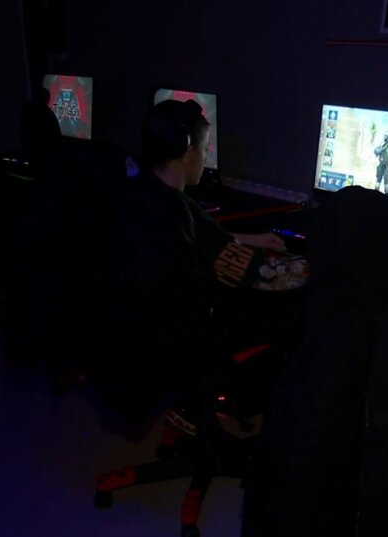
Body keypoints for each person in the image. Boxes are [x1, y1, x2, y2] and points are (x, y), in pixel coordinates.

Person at [105, 98, 304, 423]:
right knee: (294, 309)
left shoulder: (141, 192)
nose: (206, 157)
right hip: (179, 340)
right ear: (186, 152)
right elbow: (266, 274)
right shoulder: (177, 212)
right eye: (205, 148)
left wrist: (246, 238)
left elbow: (199, 235)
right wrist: (323, 264)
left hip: (133, 337)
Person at [373, 131, 388, 196]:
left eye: (387, 136)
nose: (386, 137)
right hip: (381, 164)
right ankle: (376, 191)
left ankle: (387, 193)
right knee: (378, 179)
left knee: (386, 180)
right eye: (385, 136)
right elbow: (375, 150)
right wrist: (379, 150)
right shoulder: (381, 144)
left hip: (387, 165)